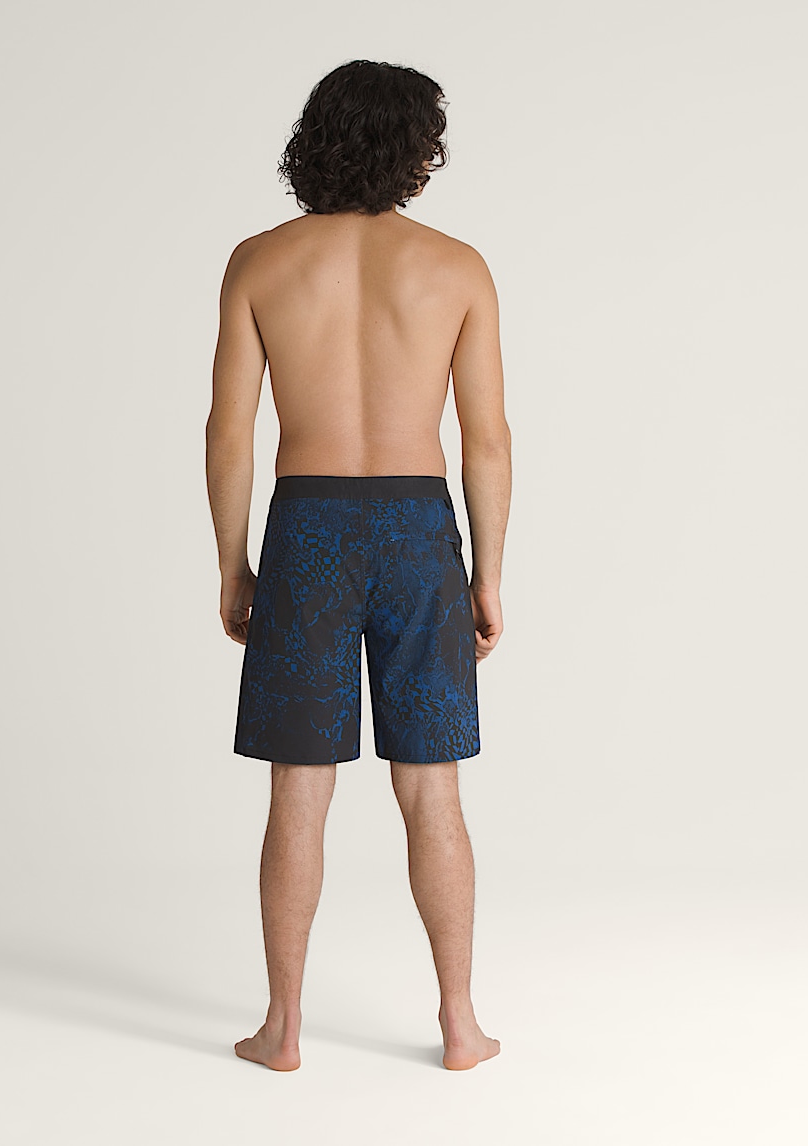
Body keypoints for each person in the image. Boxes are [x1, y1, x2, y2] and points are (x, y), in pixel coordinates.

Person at [205, 59, 512, 1071]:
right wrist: (487, 576)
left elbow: (229, 432)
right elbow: (486, 441)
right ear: (418, 151)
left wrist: (232, 564)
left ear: (318, 139)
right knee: (433, 789)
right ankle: (459, 1025)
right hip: (419, 531)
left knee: (299, 788)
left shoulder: (260, 261)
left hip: (308, 531)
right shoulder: (457, 267)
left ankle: (283, 1029)